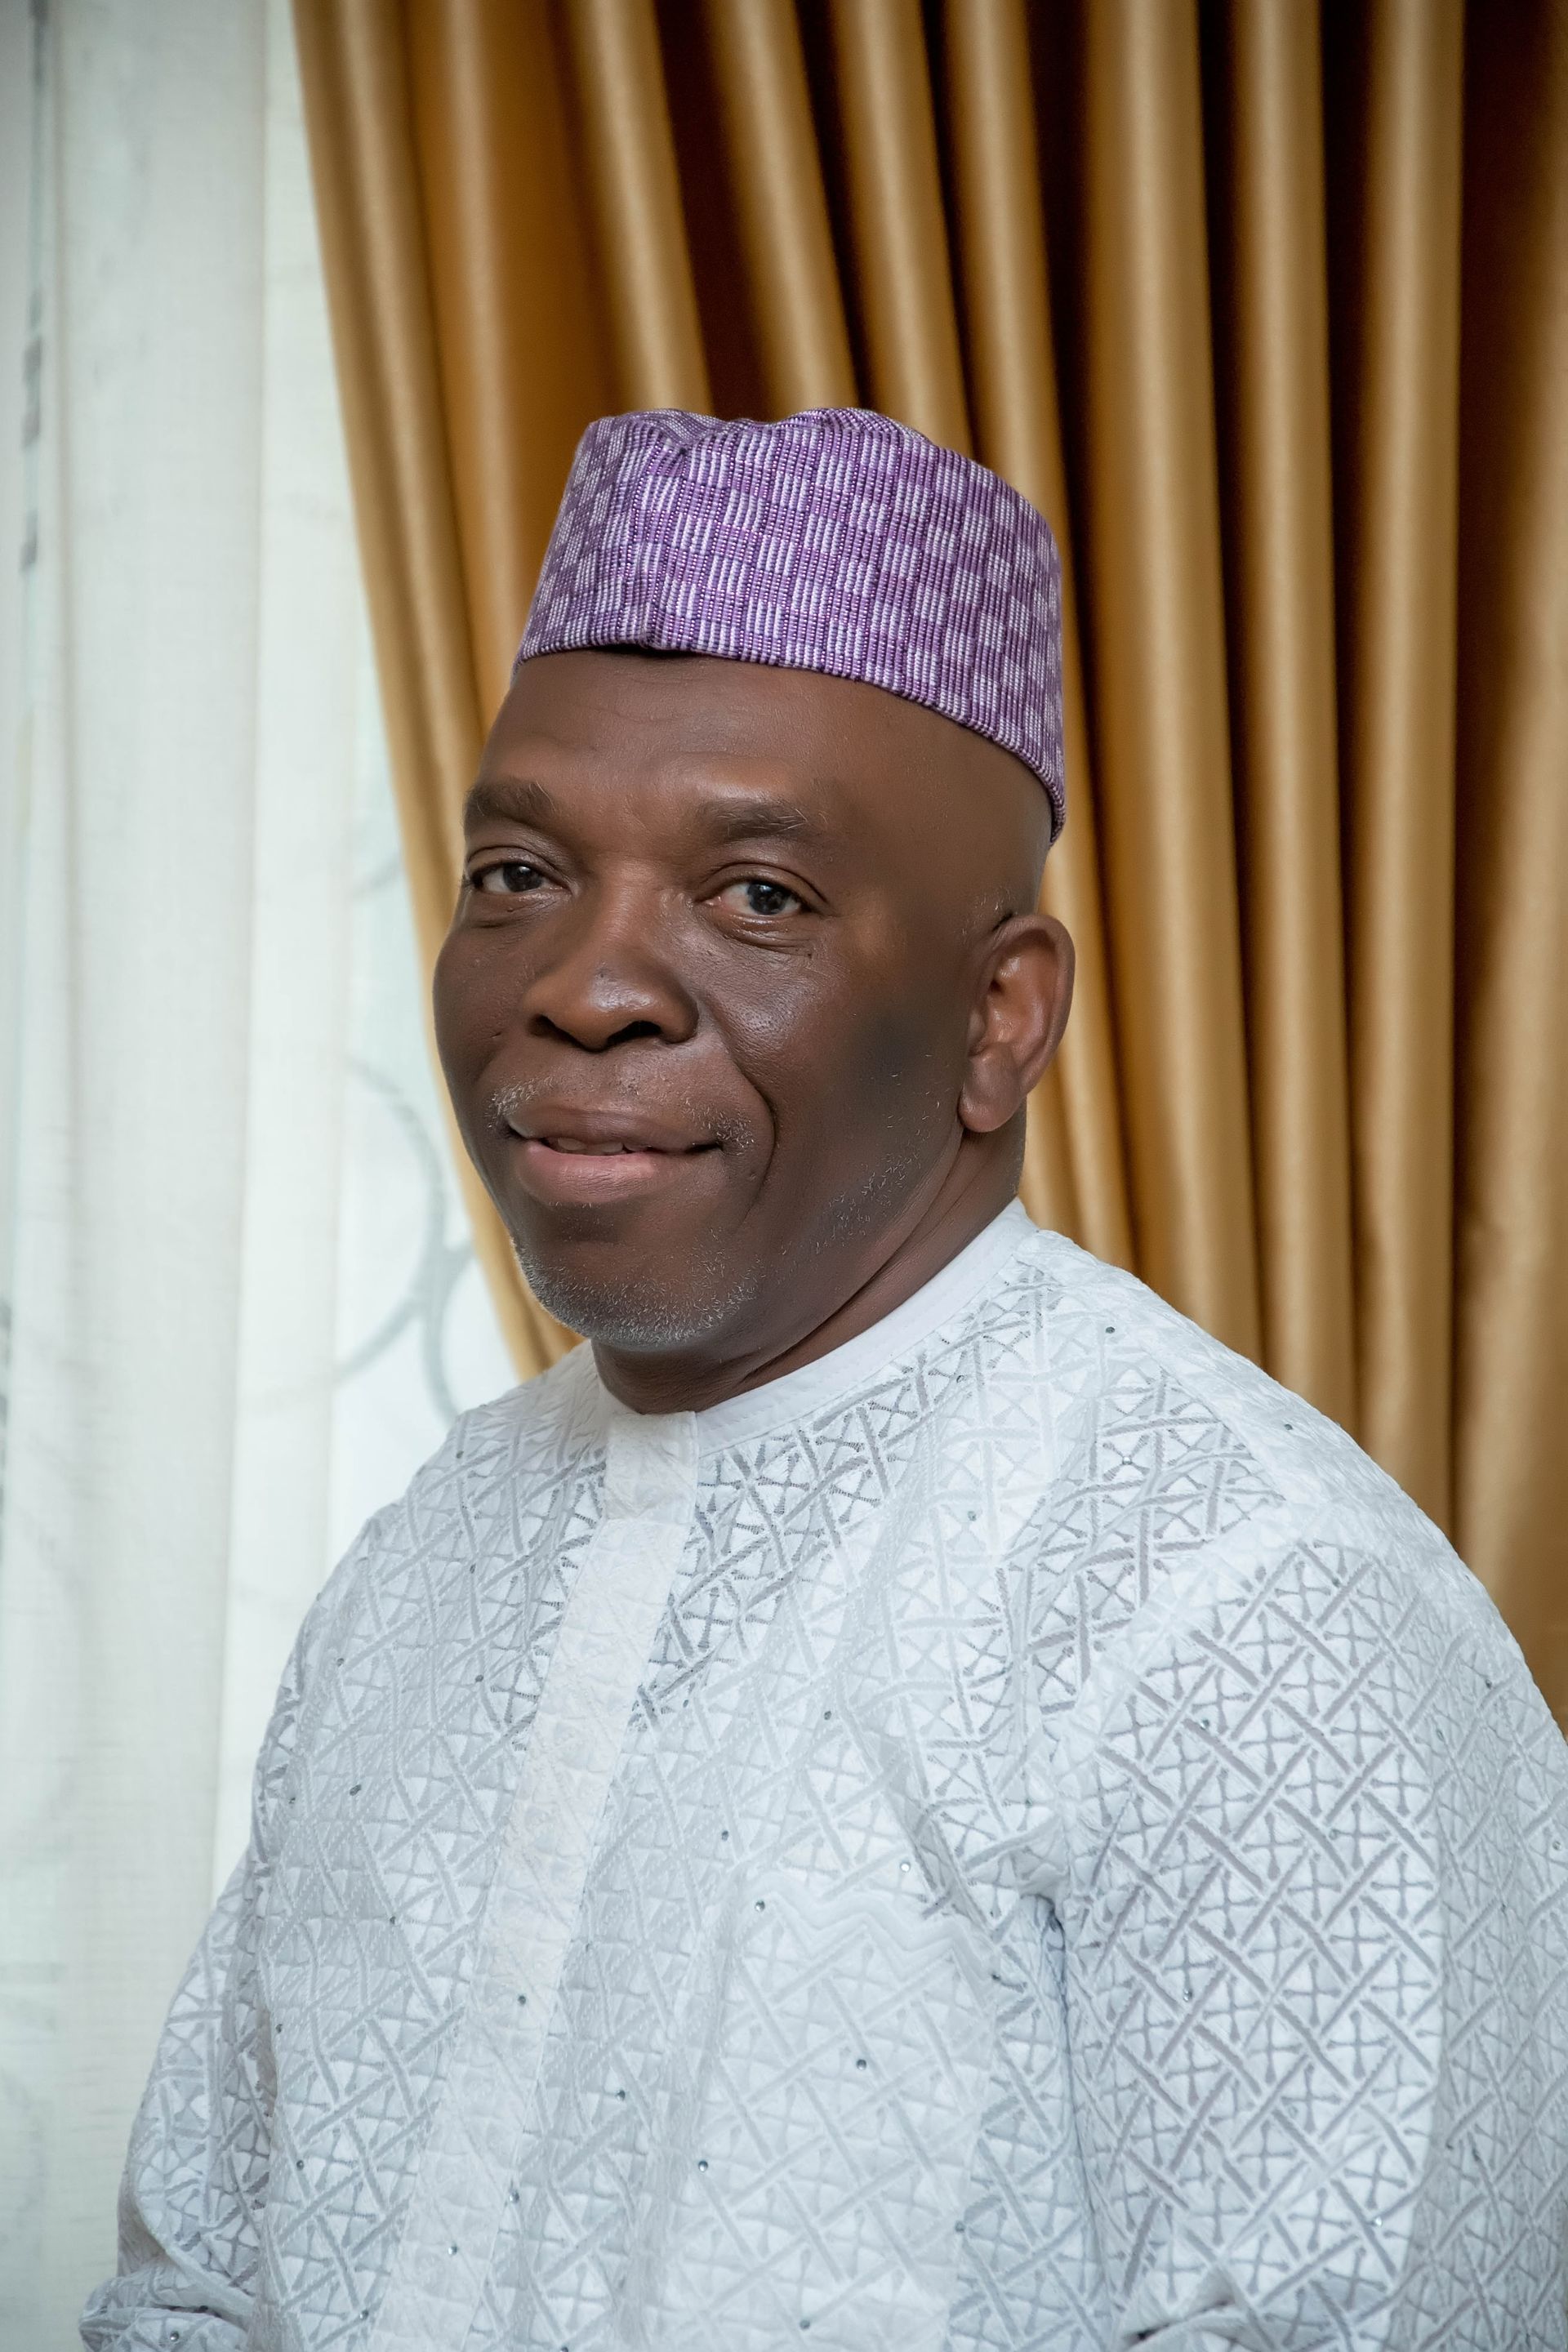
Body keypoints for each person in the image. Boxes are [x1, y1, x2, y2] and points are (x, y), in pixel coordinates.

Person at [85, 409, 1568, 2351]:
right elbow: (191, 2285)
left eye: (758, 895)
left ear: (997, 1015)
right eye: (518, 872)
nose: (587, 983)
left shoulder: (1246, 1607)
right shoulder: (423, 1565)